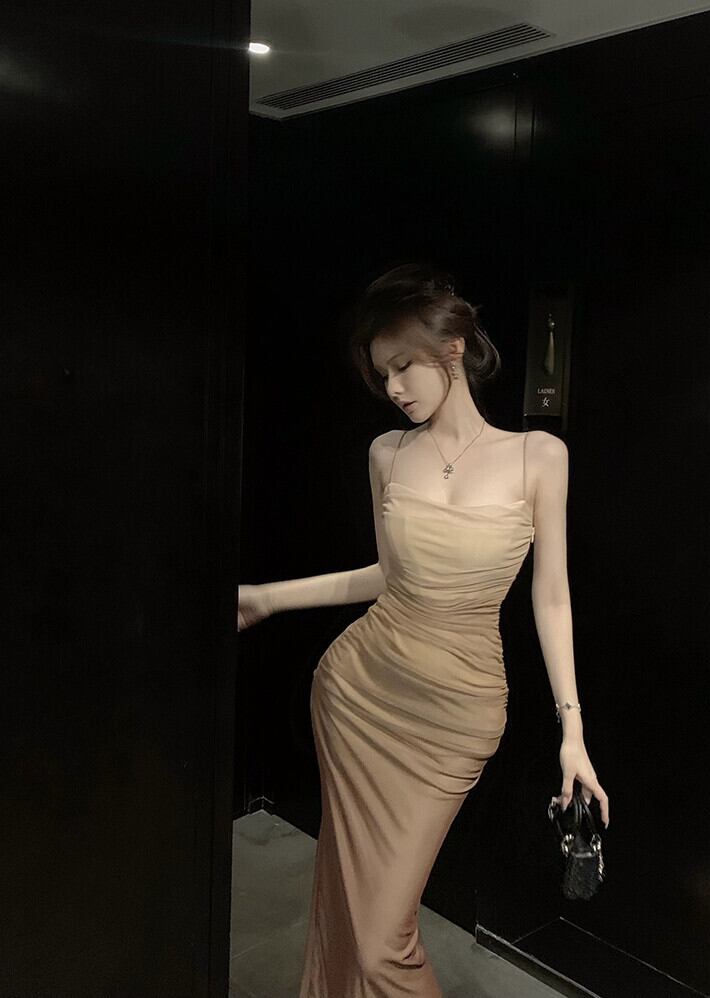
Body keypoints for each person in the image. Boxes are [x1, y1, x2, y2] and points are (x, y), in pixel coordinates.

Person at [237, 262, 609, 997]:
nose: (394, 388)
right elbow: (387, 575)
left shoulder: (538, 457)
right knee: (352, 900)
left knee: (382, 937)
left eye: (403, 365)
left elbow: (552, 597)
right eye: (383, 376)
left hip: (454, 716)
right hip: (357, 694)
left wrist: (573, 730)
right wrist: (267, 599)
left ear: (452, 347)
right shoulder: (388, 452)